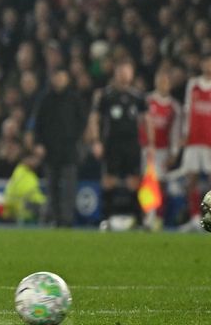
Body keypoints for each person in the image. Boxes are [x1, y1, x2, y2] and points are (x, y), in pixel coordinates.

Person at [89, 59, 152, 231]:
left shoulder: (138, 97)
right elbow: (95, 119)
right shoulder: (106, 96)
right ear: (116, 73)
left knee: (134, 181)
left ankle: (138, 220)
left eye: (127, 71)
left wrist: (150, 144)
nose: (124, 74)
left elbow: (147, 121)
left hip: (132, 145)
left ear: (131, 74)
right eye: (121, 71)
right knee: (109, 180)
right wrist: (96, 141)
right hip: (112, 144)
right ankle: (106, 220)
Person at [33, 68, 87, 227]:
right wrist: (39, 143)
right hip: (50, 149)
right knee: (52, 187)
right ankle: (56, 218)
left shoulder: (75, 99)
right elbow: (38, 124)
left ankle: (67, 219)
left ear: (67, 78)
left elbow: (82, 122)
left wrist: (77, 140)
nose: (59, 80)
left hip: (69, 148)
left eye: (62, 76)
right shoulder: (45, 99)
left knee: (69, 187)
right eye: (57, 77)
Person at [139, 68, 180, 229]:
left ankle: (158, 218)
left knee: (161, 185)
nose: (162, 84)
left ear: (169, 85)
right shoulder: (147, 101)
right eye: (159, 80)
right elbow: (140, 123)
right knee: (147, 183)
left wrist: (174, 152)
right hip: (148, 150)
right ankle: (147, 217)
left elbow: (175, 132)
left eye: (165, 81)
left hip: (163, 151)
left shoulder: (174, 106)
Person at [181, 55, 211, 231]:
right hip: (194, 140)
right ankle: (193, 218)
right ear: (201, 64)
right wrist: (185, 133)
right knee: (191, 178)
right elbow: (187, 109)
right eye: (206, 62)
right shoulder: (193, 84)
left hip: (210, 141)